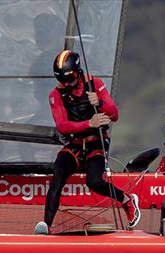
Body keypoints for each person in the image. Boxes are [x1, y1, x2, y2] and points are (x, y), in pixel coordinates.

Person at [34, 50, 139, 235]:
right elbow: (63, 126)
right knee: (58, 175)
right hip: (74, 146)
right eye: (61, 80)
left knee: (95, 182)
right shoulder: (55, 94)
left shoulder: (95, 84)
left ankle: (127, 201)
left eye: (70, 78)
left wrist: (99, 103)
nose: (66, 84)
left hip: (95, 145)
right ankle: (46, 226)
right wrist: (89, 123)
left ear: (78, 71)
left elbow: (114, 115)